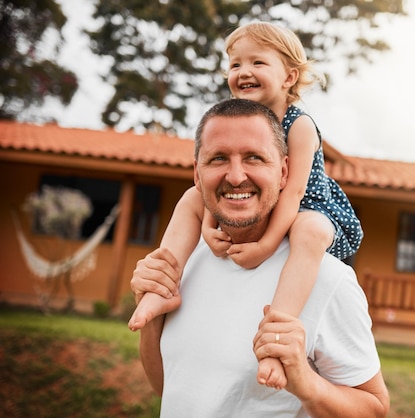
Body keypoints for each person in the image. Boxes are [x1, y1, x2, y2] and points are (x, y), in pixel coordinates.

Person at [128, 21, 363, 389]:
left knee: (310, 230)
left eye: (257, 62)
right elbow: (214, 181)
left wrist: (265, 246)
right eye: (235, 65)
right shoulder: (233, 118)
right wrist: (208, 226)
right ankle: (159, 290)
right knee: (190, 195)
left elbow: (294, 192)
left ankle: (276, 336)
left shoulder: (300, 126)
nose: (243, 72)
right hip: (265, 201)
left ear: (289, 76)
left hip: (309, 207)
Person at [131, 98, 389, 417]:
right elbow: (166, 387)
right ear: (197, 174)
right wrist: (151, 322)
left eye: (254, 157)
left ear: (283, 172)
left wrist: (305, 383)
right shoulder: (186, 261)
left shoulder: (328, 279)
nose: (236, 176)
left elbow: (375, 410)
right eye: (218, 158)